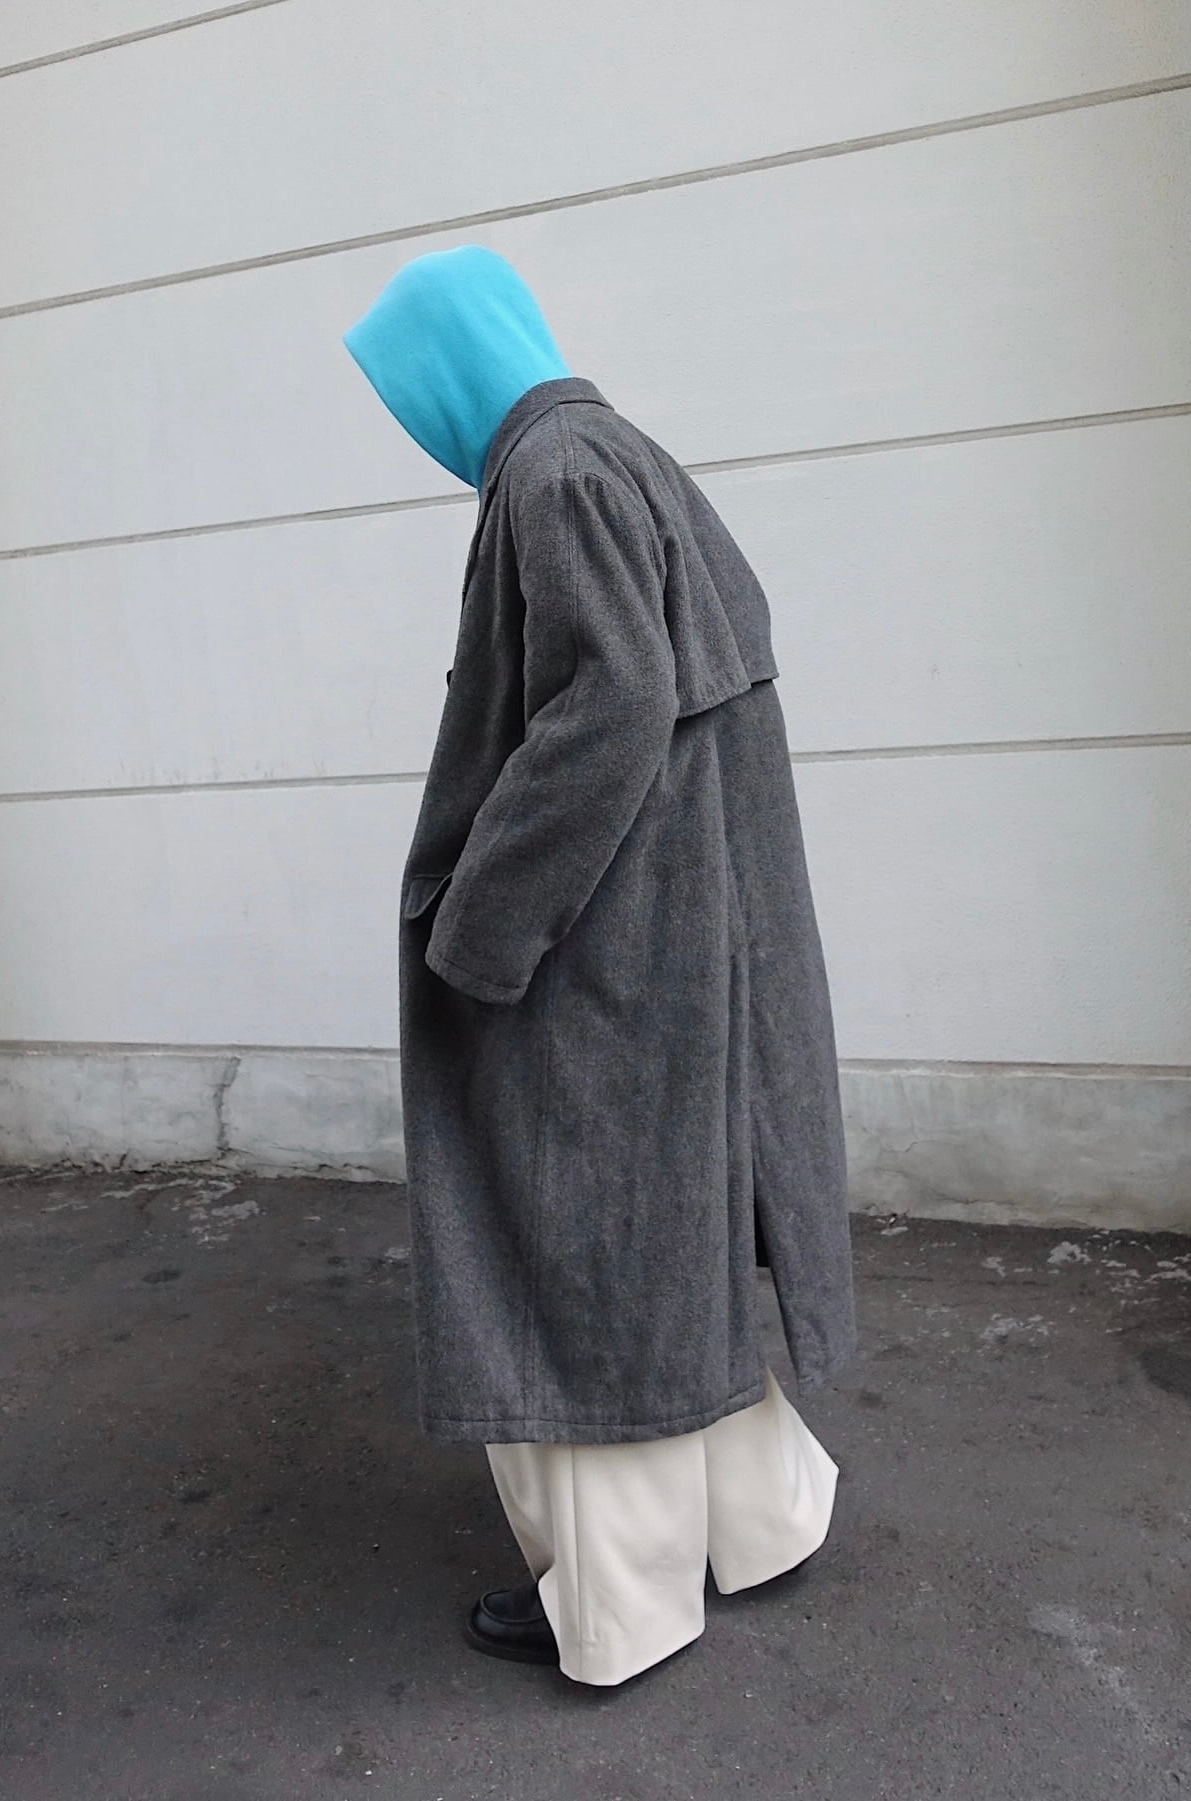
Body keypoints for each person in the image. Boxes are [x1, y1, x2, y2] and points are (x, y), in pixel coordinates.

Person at [342, 246, 856, 1687]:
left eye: (404, 388)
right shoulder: (616, 452)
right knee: (656, 1238)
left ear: (450, 367)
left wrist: (481, 930)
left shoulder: (553, 476)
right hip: (676, 936)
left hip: (606, 950)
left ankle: (620, 1605)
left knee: (562, 1257)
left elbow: (611, 706)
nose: (407, 418)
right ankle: (761, 1517)